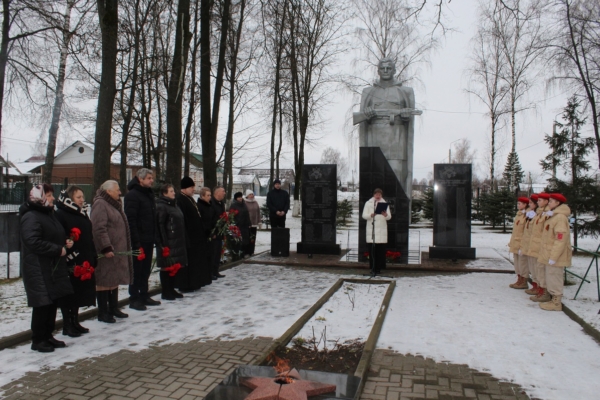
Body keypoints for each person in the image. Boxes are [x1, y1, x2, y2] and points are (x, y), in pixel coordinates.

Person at [354, 58, 421, 198]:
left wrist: (406, 116)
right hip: (375, 139)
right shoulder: (368, 91)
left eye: (388, 68)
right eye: (382, 68)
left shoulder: (405, 91)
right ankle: (375, 211)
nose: (385, 71)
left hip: (396, 140)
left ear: (394, 70)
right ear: (378, 71)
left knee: (396, 175)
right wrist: (368, 114)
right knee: (375, 178)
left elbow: (409, 120)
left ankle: (395, 213)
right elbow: (362, 120)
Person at [20, 184, 73, 352]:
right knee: (42, 303)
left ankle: (48, 335)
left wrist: (65, 241)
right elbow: (33, 241)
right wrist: (57, 249)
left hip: (52, 267)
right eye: (49, 195)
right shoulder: (31, 217)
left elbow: (55, 234)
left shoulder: (50, 214)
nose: (53, 198)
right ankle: (38, 339)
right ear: (40, 197)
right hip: (38, 267)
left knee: (52, 302)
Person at [55, 186, 97, 336]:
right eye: (78, 197)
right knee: (70, 294)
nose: (82, 200)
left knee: (79, 293)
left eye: (82, 197)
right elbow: (61, 236)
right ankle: (68, 324)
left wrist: (93, 255)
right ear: (69, 199)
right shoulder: (61, 214)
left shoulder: (82, 213)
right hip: (71, 260)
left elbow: (88, 236)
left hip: (84, 258)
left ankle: (75, 321)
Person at [91, 180, 134, 323]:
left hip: (116, 250)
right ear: (108, 191)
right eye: (117, 190)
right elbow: (98, 228)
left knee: (113, 278)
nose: (120, 192)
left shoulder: (112, 204)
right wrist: (106, 247)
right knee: (104, 280)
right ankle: (103, 312)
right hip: (106, 251)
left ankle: (113, 307)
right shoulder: (100, 204)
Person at [124, 168, 159, 310]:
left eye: (152, 178)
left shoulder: (148, 194)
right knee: (137, 270)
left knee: (146, 269)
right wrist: (136, 241)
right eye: (149, 178)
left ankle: (144, 294)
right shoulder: (133, 195)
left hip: (148, 237)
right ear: (140, 179)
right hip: (139, 239)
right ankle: (134, 297)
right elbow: (131, 220)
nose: (152, 180)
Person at [538, 193, 572, 311]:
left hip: (556, 254)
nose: (549, 203)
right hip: (548, 252)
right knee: (550, 277)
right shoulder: (553, 216)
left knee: (554, 277)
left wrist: (554, 256)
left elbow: (560, 239)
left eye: (551, 201)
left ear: (558, 203)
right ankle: (552, 298)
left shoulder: (560, 218)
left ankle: (557, 302)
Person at [176, 177, 211, 291]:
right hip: (189, 236)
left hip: (196, 236)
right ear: (185, 188)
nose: (193, 189)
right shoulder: (181, 200)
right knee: (190, 261)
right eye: (191, 187)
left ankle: (196, 282)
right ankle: (187, 284)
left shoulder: (189, 199)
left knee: (196, 260)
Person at [155, 184, 187, 300]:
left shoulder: (175, 205)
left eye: (174, 191)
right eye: (171, 191)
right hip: (167, 242)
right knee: (166, 266)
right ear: (164, 193)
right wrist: (163, 243)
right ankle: (166, 291)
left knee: (174, 265)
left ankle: (172, 289)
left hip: (177, 240)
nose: (174, 193)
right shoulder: (161, 206)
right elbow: (160, 225)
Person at [526, 192, 552, 303]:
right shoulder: (538, 213)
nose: (537, 202)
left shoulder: (547, 214)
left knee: (540, 270)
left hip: (541, 246)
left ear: (546, 201)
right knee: (535, 269)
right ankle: (537, 288)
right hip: (534, 245)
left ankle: (543, 292)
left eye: (539, 200)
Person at [361, 188, 392, 275]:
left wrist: (385, 215)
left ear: (381, 195)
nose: (378, 196)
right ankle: (373, 268)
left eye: (379, 195)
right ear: (373, 195)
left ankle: (379, 269)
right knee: (372, 251)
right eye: (376, 194)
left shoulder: (384, 204)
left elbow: (389, 217)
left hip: (381, 231)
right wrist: (370, 215)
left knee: (380, 252)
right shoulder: (368, 203)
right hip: (372, 230)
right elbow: (364, 215)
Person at [508, 197, 530, 289]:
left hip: (522, 243)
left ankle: (524, 281)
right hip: (516, 242)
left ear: (525, 205)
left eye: (520, 203)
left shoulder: (527, 215)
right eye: (518, 203)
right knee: (517, 263)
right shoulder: (519, 215)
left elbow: (526, 232)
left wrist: (523, 245)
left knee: (523, 263)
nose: (518, 205)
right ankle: (519, 279)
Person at [520, 194, 540, 295]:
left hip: (536, 246)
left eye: (531, 203)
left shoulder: (538, 215)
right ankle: (535, 286)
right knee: (533, 267)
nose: (530, 204)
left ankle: (538, 288)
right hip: (529, 244)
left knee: (537, 269)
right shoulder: (530, 214)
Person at [197, 187, 215, 285]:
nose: (209, 197)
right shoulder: (199, 206)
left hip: (210, 233)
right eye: (207, 195)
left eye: (210, 195)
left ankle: (210, 273)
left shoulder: (210, 206)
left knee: (211, 254)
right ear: (202, 196)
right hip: (204, 234)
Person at [208, 186, 226, 279]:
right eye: (223, 191)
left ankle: (216, 271)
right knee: (213, 253)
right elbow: (210, 218)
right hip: (214, 233)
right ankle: (210, 272)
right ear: (217, 193)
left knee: (218, 252)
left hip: (220, 232)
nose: (224, 193)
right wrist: (212, 232)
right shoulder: (211, 203)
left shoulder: (221, 203)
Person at [229, 192, 251, 260]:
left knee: (245, 239)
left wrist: (249, 223)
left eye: (241, 197)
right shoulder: (234, 205)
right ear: (236, 198)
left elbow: (247, 214)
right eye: (238, 197)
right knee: (238, 240)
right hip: (238, 225)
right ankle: (238, 254)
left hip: (245, 225)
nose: (240, 198)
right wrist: (235, 223)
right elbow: (231, 216)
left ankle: (244, 253)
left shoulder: (244, 204)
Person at [244, 189, 261, 256]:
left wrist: (259, 221)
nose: (251, 196)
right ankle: (246, 252)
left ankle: (252, 251)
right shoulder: (245, 203)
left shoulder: (255, 202)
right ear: (247, 196)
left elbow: (258, 212)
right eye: (250, 194)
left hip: (255, 223)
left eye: (252, 194)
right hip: (248, 224)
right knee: (248, 237)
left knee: (253, 237)